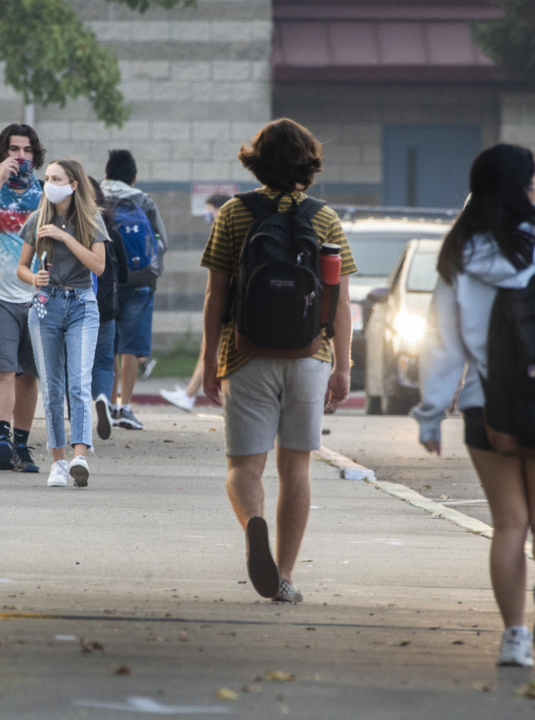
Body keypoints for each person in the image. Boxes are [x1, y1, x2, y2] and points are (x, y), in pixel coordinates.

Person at [414, 143, 535, 667]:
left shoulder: (460, 255)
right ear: (527, 189)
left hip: (486, 405)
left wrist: (431, 413)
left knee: (509, 523)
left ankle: (515, 639)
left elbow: (443, 343)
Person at [201, 119, 353, 606]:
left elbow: (216, 293)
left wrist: (209, 360)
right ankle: (283, 576)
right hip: (311, 357)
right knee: (297, 469)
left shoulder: (233, 213)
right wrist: (344, 366)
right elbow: (340, 302)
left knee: (244, 468)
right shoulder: (324, 218)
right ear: (309, 163)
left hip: (246, 354)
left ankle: (254, 524)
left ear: (256, 160)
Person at [17, 159, 108, 487]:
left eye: (56, 178)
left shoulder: (91, 220)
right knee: (53, 387)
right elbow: (21, 268)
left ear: (73, 185)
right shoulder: (36, 219)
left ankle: (80, 455)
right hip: (45, 307)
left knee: (79, 383)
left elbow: (98, 266)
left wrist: (65, 237)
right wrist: (34, 278)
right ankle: (58, 462)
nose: (49, 183)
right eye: (46, 178)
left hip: (82, 304)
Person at [0, 123, 45, 471]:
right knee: (3, 368)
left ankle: (21, 445)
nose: (20, 157)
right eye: (13, 150)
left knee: (29, 374)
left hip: (38, 297)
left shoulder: (47, 194)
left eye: (27, 150)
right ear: (2, 153)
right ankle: (2, 438)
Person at [102, 150, 168, 431]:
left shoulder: (96, 197)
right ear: (134, 177)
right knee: (131, 347)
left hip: (106, 281)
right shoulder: (143, 201)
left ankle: (104, 402)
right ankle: (124, 408)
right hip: (140, 283)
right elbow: (161, 242)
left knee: (108, 344)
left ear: (106, 175)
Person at [161, 193, 231, 413]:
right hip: (226, 298)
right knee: (208, 346)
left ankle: (191, 395)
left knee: (214, 347)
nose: (207, 214)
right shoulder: (222, 230)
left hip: (229, 299)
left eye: (211, 209)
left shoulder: (229, 230)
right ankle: (189, 394)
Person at [89, 177, 129, 441]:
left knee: (75, 365)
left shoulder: (72, 231)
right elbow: (124, 274)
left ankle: (77, 416)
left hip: (76, 306)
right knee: (104, 363)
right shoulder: (111, 233)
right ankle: (103, 396)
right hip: (106, 310)